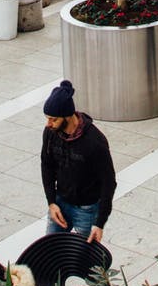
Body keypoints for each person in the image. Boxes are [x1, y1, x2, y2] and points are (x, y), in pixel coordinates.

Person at [39, 80, 115, 244]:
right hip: (60, 202)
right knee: (49, 249)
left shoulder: (95, 142)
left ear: (67, 116)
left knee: (84, 258)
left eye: (53, 119)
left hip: (86, 210)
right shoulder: (51, 133)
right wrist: (51, 202)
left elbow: (109, 183)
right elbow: (47, 165)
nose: (48, 124)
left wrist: (99, 223)